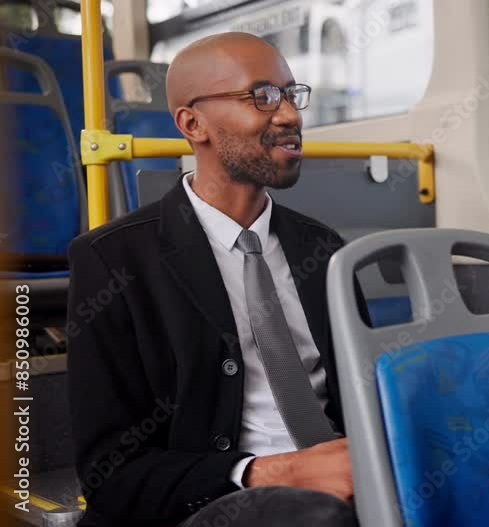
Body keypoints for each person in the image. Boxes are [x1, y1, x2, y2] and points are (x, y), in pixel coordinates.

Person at [66, 33, 365, 526]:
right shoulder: (113, 260)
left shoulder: (324, 249)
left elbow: (360, 402)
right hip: (216, 502)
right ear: (193, 123)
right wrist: (269, 471)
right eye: (263, 96)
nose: (290, 115)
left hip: (351, 480)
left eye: (292, 94)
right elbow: (110, 475)